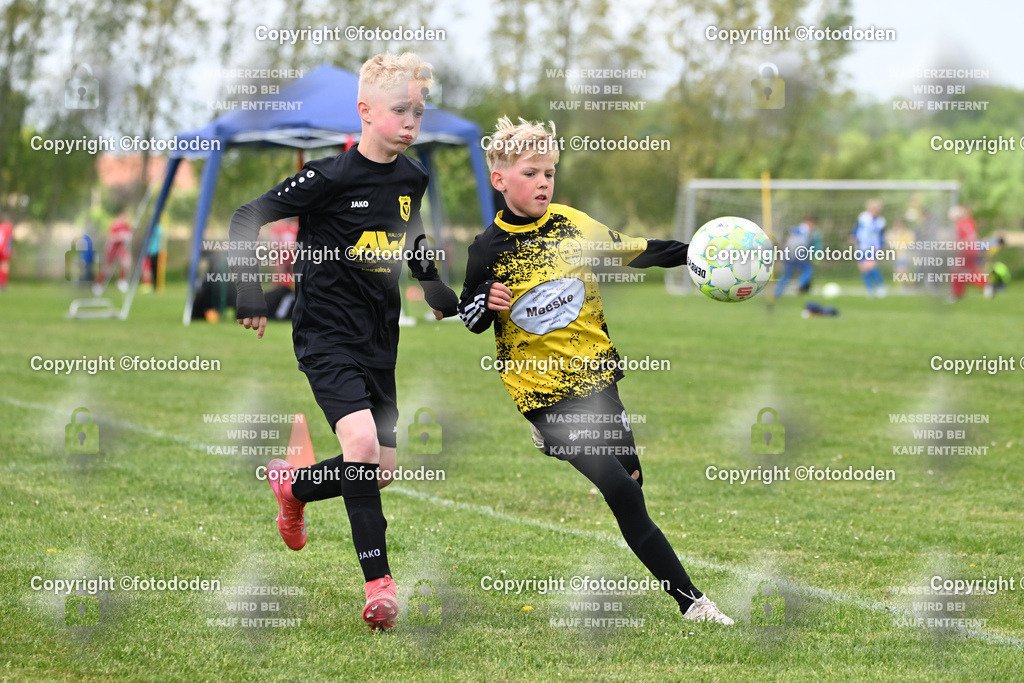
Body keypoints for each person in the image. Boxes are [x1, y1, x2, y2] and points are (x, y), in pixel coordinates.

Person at [458, 116, 734, 625]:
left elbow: (640, 250)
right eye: (531, 173)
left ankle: (558, 445)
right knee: (622, 493)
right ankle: (693, 603)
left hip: (596, 380)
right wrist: (485, 302)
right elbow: (470, 313)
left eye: (550, 172)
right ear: (500, 180)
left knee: (633, 478)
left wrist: (697, 253)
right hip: (542, 394)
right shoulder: (486, 249)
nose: (543, 182)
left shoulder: (572, 225)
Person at [228, 52, 458, 631]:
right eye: (400, 110)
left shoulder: (413, 175)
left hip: (380, 340)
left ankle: (295, 486)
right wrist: (248, 293)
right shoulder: (329, 177)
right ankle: (380, 586)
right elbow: (245, 216)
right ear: (365, 111)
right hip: (325, 335)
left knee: (379, 469)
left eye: (419, 112)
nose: (411, 122)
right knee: (359, 448)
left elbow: (412, 238)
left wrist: (434, 290)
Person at [773, 214, 818, 298]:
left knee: (787, 275)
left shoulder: (795, 228)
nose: (814, 227)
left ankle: (776, 293)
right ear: (810, 223)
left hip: (787, 253)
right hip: (796, 252)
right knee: (808, 269)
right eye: (814, 225)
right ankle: (801, 285)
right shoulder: (804, 229)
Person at [948, 205, 986, 301]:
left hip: (967, 251)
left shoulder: (964, 224)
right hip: (969, 251)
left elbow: (971, 237)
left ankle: (957, 294)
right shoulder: (965, 223)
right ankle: (986, 286)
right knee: (967, 272)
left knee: (957, 271)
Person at [851, 199, 886, 298]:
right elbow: (856, 228)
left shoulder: (881, 222)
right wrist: (853, 236)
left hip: (873, 248)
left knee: (870, 266)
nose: (874, 211)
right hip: (861, 246)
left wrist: (881, 247)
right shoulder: (863, 217)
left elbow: (881, 236)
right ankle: (870, 289)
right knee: (863, 268)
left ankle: (881, 286)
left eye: (876, 209)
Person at [96, 211, 132, 294]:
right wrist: (120, 236)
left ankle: (121, 281)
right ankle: (99, 284)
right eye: (124, 217)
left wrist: (129, 236)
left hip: (121, 248)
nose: (125, 219)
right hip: (112, 249)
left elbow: (130, 235)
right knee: (107, 268)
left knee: (127, 262)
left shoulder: (126, 226)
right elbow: (110, 237)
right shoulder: (115, 225)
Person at [0, 215, 12, 291]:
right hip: (3, 249)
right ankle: (2, 283)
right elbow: (8, 240)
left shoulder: (0, 227)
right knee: (4, 265)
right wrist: (10, 250)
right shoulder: (8, 227)